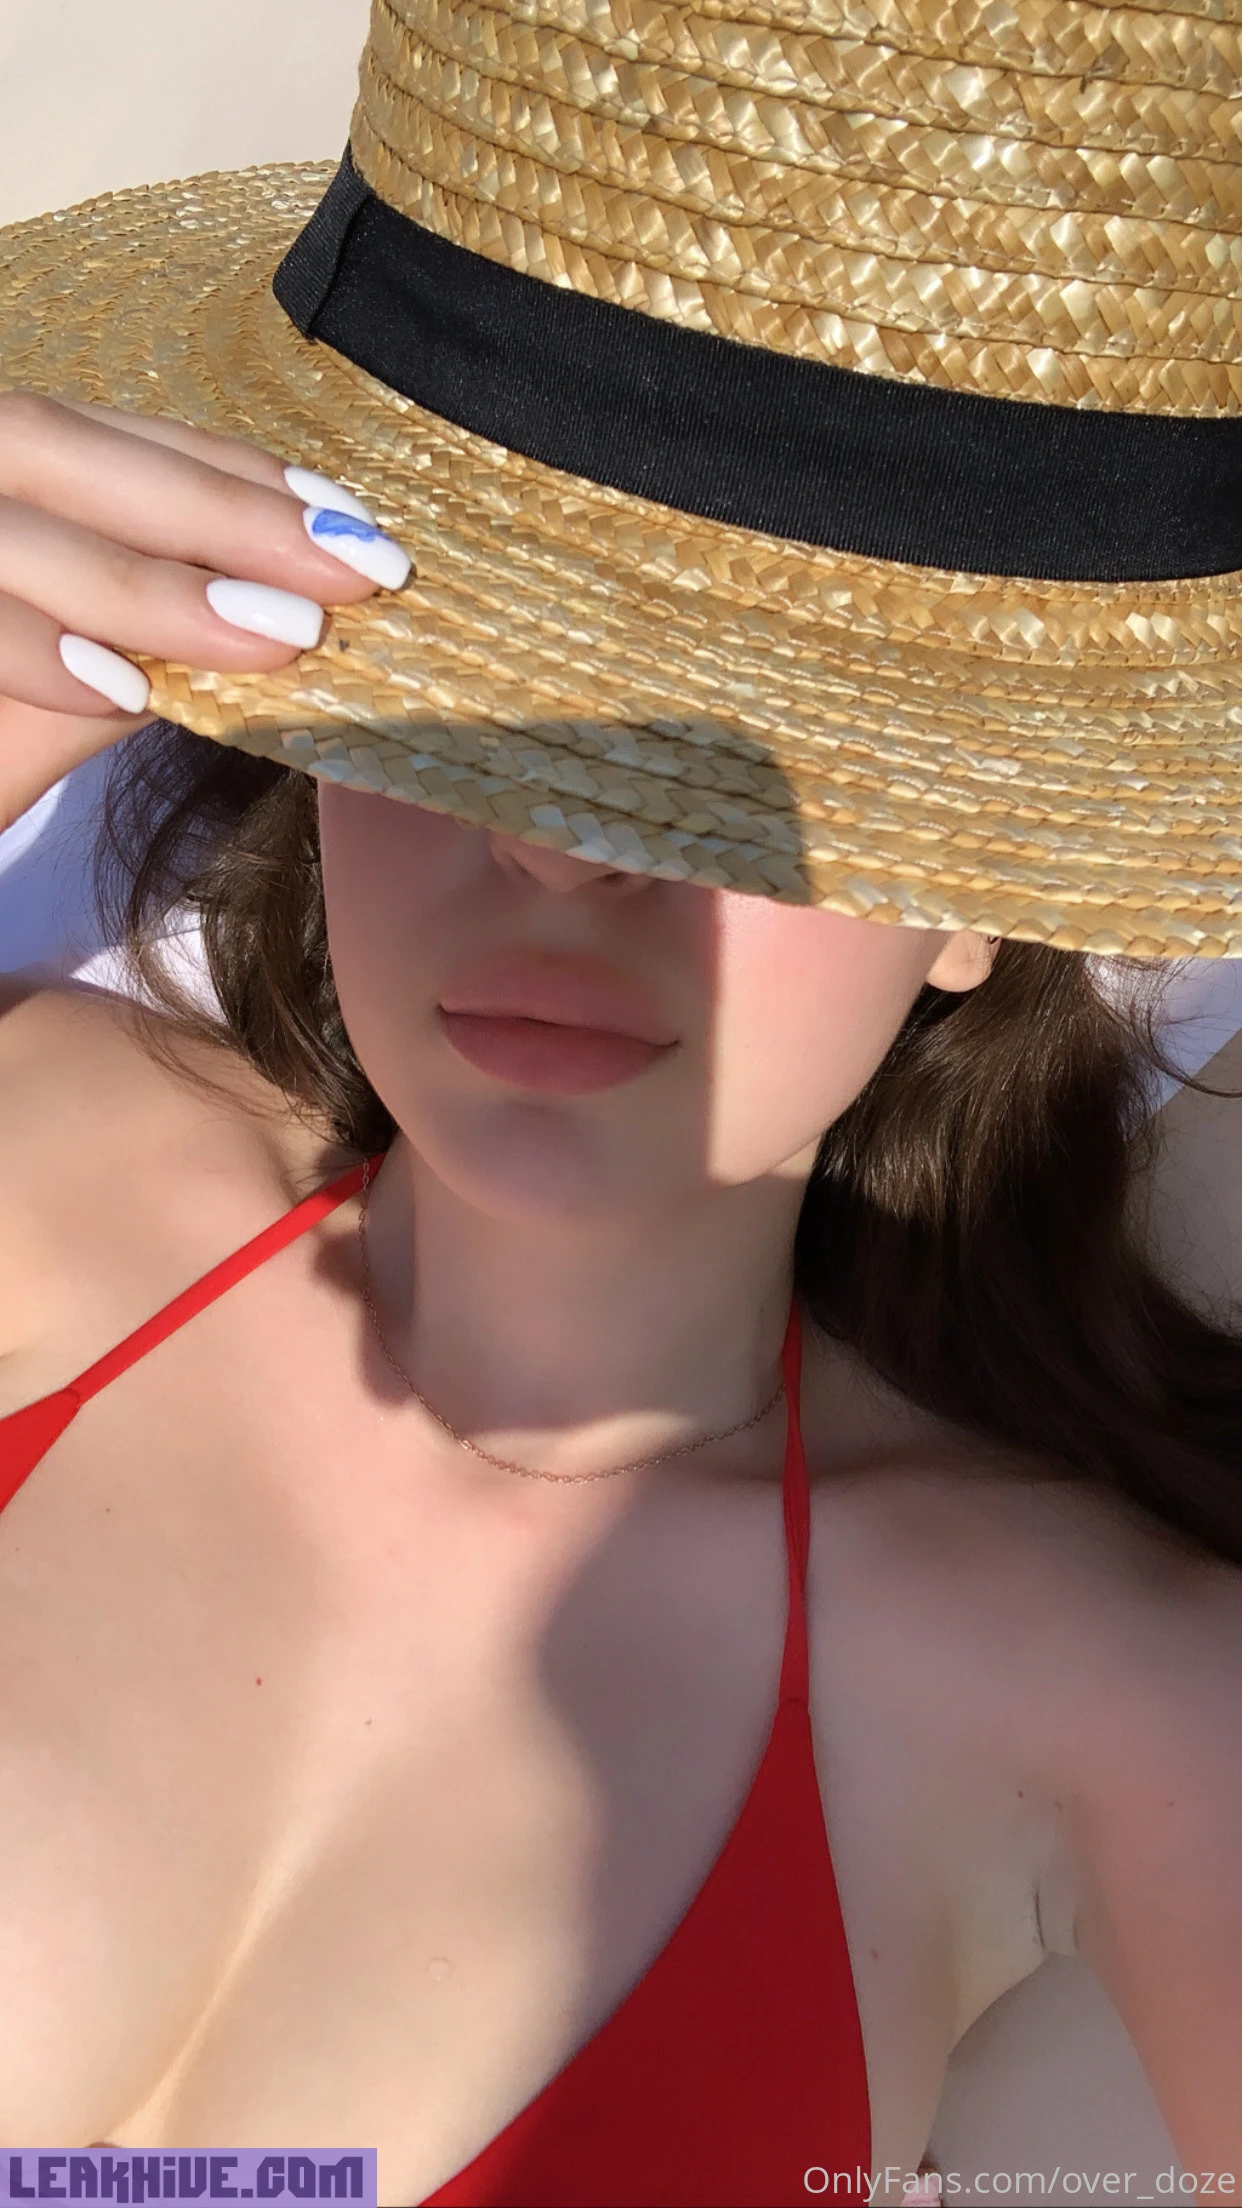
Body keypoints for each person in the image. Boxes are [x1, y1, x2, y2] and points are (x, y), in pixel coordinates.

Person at [0, 2, 1240, 2204]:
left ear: (987, 894)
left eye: (759, 753)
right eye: (465, 681)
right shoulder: (45, 1170)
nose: (561, 855)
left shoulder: (1101, 1687)